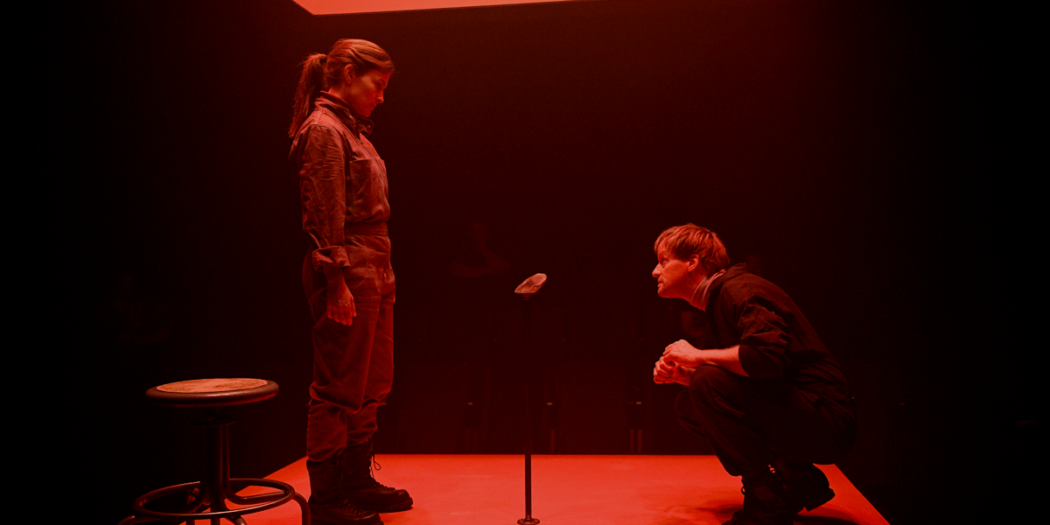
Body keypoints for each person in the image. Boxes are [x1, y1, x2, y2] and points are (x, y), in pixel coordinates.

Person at [651, 224, 856, 525]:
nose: (655, 271)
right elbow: (756, 376)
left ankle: (767, 500)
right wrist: (685, 374)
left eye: (663, 261)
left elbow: (765, 359)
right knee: (690, 401)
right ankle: (796, 477)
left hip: (827, 420)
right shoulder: (720, 299)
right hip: (804, 412)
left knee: (705, 381)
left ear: (692, 262)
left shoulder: (739, 290)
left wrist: (697, 357)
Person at [289, 38, 412, 525]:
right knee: (339, 385)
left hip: (375, 258)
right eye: (376, 85)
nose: (381, 96)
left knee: (374, 380)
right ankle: (327, 499)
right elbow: (322, 210)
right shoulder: (323, 129)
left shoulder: (353, 131)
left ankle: (357, 479)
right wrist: (335, 279)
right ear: (346, 75)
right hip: (348, 261)